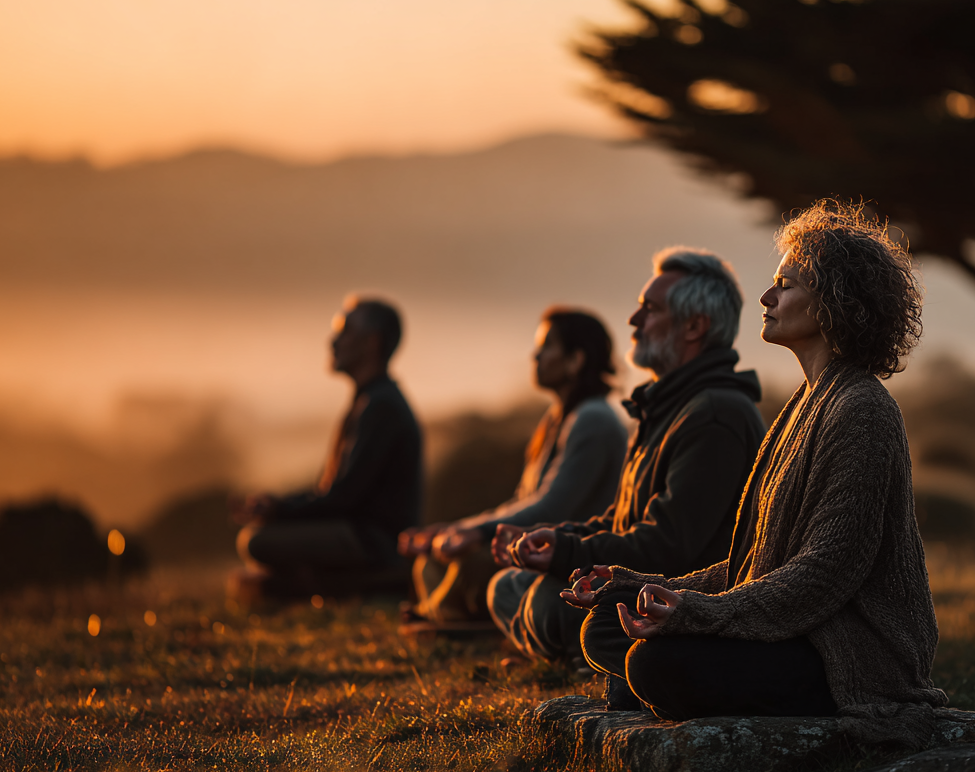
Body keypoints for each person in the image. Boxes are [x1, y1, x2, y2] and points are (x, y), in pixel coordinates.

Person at [570, 201, 946, 727]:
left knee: (656, 661)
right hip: (792, 624)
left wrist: (696, 615)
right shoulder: (801, 404)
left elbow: (823, 574)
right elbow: (752, 563)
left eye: (785, 285)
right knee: (605, 626)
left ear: (833, 301)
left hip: (845, 649)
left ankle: (666, 686)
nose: (767, 297)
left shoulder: (862, 410)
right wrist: (641, 585)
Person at [488, 248, 766, 664]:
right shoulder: (668, 409)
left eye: (649, 310)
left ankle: (579, 654)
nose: (633, 321)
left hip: (676, 594)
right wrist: (556, 537)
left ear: (694, 326)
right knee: (510, 585)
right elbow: (622, 520)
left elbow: (669, 545)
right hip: (634, 578)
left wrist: (567, 554)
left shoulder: (713, 415)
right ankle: (567, 650)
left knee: (544, 599)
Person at [399, 308, 627, 625]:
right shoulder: (558, 418)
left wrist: (477, 533)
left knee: (469, 562)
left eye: (547, 346)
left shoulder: (594, 419)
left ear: (576, 359)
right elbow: (521, 502)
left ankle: (449, 622)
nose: (535, 355)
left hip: (569, 555)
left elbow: (552, 506)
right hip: (537, 543)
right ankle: (447, 619)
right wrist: (456, 528)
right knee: (434, 557)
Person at [234, 296, 421, 602]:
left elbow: (344, 497)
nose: (333, 341)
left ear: (372, 342)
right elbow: (333, 491)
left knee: (256, 543)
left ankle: (346, 584)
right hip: (361, 533)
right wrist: (278, 506)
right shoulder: (372, 401)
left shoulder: (381, 407)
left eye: (344, 329)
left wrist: (281, 511)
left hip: (374, 542)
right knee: (259, 542)